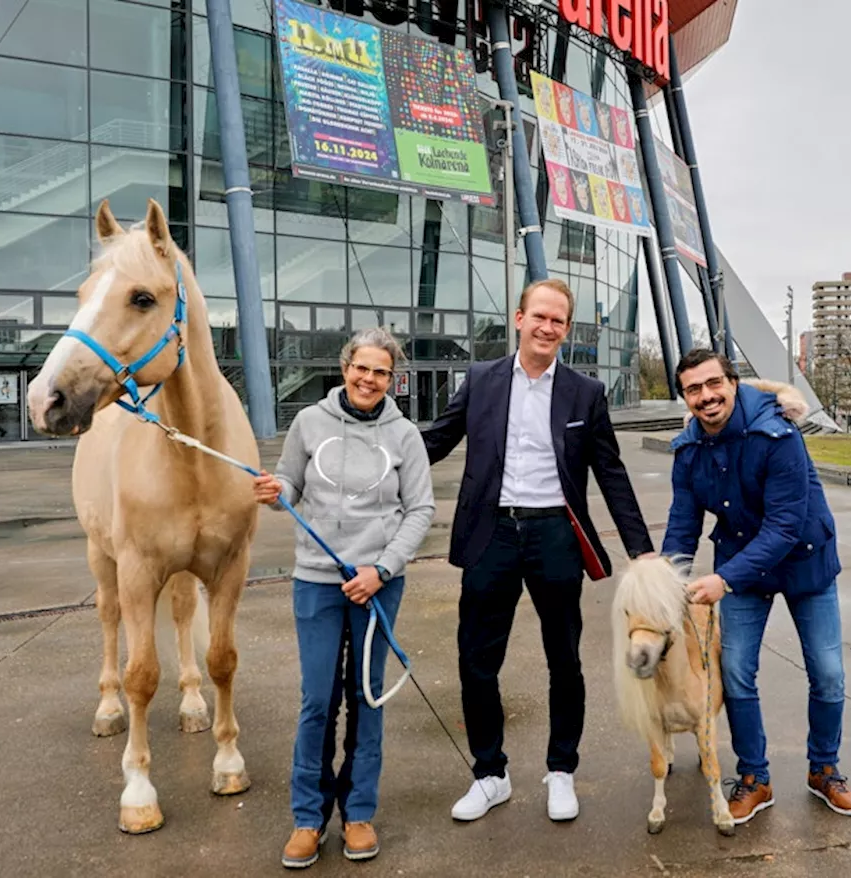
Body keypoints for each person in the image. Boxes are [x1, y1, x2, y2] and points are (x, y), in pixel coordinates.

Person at [421, 278, 654, 824]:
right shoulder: (480, 380)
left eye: (559, 321)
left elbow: (611, 474)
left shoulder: (584, 393)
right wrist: (365, 454)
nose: (548, 327)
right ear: (519, 318)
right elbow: (434, 441)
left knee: (564, 660)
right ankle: (490, 774)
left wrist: (642, 552)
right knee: (477, 661)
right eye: (540, 317)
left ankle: (561, 770)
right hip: (490, 534)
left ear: (566, 330)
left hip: (554, 534)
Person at [252, 328, 435, 869]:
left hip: (377, 583)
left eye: (381, 372)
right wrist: (274, 493)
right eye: (362, 368)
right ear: (345, 367)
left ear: (392, 378)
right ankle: (308, 818)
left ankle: (358, 813)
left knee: (365, 695)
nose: (369, 379)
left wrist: (381, 569)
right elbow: (290, 483)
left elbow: (420, 510)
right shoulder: (309, 423)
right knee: (317, 700)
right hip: (317, 581)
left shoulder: (405, 435)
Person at [660, 348, 851, 826]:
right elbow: (682, 525)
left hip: (804, 561)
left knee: (828, 672)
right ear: (684, 397)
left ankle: (825, 770)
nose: (706, 397)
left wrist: (724, 579)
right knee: (734, 672)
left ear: (732, 383)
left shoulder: (776, 432)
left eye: (714, 384)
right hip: (740, 566)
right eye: (693, 389)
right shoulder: (688, 451)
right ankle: (754, 778)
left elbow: (786, 525)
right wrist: (666, 582)